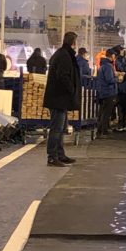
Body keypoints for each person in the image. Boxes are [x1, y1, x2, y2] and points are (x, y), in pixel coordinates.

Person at [44, 32, 81, 167]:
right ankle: (52, 156)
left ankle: (60, 154)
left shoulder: (62, 54)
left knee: (61, 128)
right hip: (58, 98)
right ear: (73, 42)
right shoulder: (64, 55)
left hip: (59, 98)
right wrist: (72, 90)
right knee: (56, 128)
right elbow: (63, 76)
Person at [94, 50, 119, 137]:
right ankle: (102, 131)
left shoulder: (103, 65)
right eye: (114, 55)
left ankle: (100, 130)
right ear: (111, 56)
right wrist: (118, 79)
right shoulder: (108, 66)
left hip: (103, 92)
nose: (114, 57)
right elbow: (109, 80)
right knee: (106, 113)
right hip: (108, 92)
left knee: (103, 112)